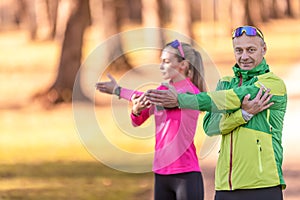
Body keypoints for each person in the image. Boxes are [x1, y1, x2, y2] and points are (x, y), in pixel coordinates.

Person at [145, 26, 287, 200]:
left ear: (263, 49)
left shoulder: (272, 84)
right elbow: (210, 127)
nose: (244, 57)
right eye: (239, 50)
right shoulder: (225, 83)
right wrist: (242, 115)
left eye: (251, 50)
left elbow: (230, 98)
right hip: (225, 187)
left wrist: (180, 100)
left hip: (263, 184)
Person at [96, 40, 206, 200]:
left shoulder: (191, 92)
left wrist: (119, 90)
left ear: (183, 65)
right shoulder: (161, 90)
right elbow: (137, 121)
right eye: (160, 61)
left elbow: (160, 99)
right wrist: (136, 109)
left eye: (166, 62)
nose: (161, 66)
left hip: (186, 173)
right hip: (161, 173)